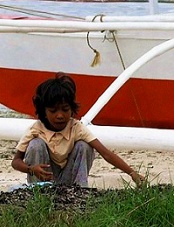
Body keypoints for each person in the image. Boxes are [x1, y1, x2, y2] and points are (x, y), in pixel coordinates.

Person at [11, 73, 146, 187]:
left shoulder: (76, 127)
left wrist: (131, 173)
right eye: (53, 111)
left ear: (72, 109)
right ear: (44, 112)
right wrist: (31, 169)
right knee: (36, 145)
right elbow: (16, 161)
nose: (60, 115)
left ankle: (80, 190)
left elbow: (105, 153)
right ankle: (37, 192)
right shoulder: (36, 129)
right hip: (44, 178)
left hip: (69, 181)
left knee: (84, 146)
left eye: (65, 110)